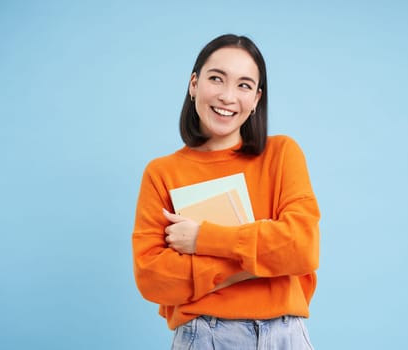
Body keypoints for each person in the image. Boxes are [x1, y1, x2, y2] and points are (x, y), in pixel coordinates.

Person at [132, 34, 320, 349]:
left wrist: (202, 239)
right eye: (217, 79)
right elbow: (153, 279)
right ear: (194, 84)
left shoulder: (282, 153)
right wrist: (259, 263)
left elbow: (301, 247)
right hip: (206, 336)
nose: (227, 96)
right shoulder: (162, 173)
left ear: (257, 99)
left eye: (244, 85)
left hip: (285, 336)